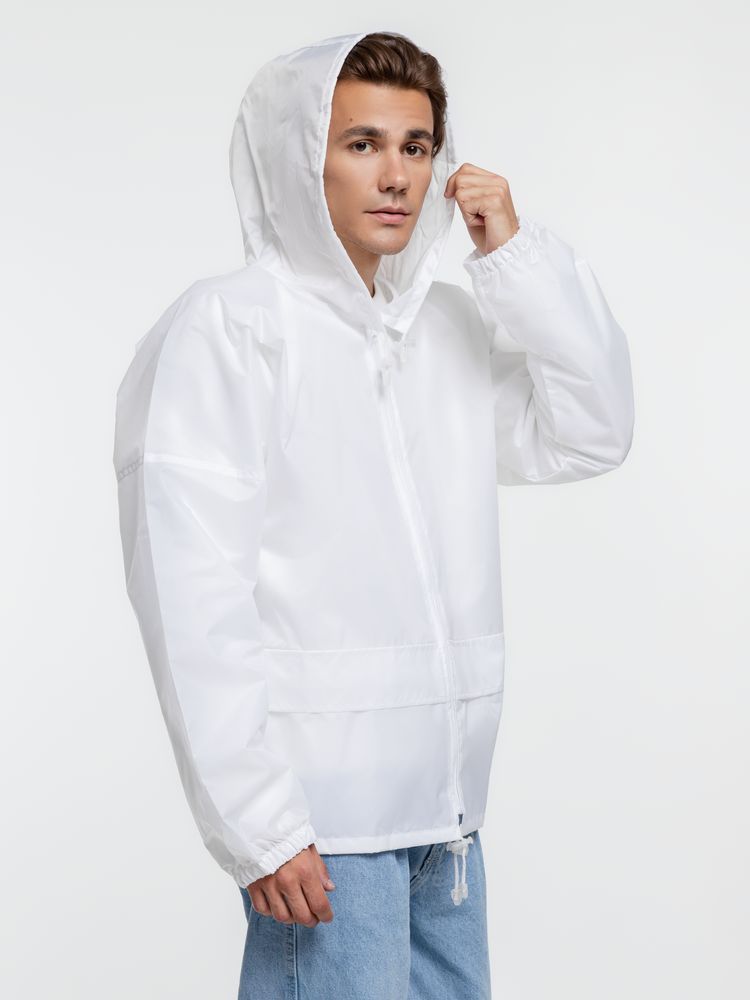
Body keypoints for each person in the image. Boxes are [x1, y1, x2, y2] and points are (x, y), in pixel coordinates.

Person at [112, 29, 635, 1000]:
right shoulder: (232, 326)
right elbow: (189, 592)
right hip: (324, 828)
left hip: (447, 821)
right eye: (362, 144)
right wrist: (260, 824)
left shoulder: (443, 329)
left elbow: (591, 431)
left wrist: (516, 258)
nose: (396, 175)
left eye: (416, 146)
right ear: (298, 154)